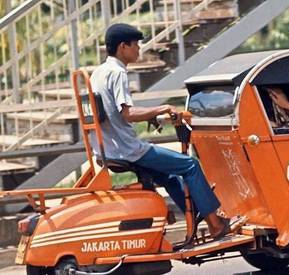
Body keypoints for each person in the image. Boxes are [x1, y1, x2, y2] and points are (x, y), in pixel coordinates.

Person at [90, 23, 238, 240]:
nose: (139, 49)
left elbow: (113, 112)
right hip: (129, 150)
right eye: (136, 45)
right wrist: (162, 108)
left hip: (109, 149)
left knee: (169, 176)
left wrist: (149, 115)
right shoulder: (117, 73)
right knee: (190, 165)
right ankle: (215, 224)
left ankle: (197, 216)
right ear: (123, 47)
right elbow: (127, 113)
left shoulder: (98, 73)